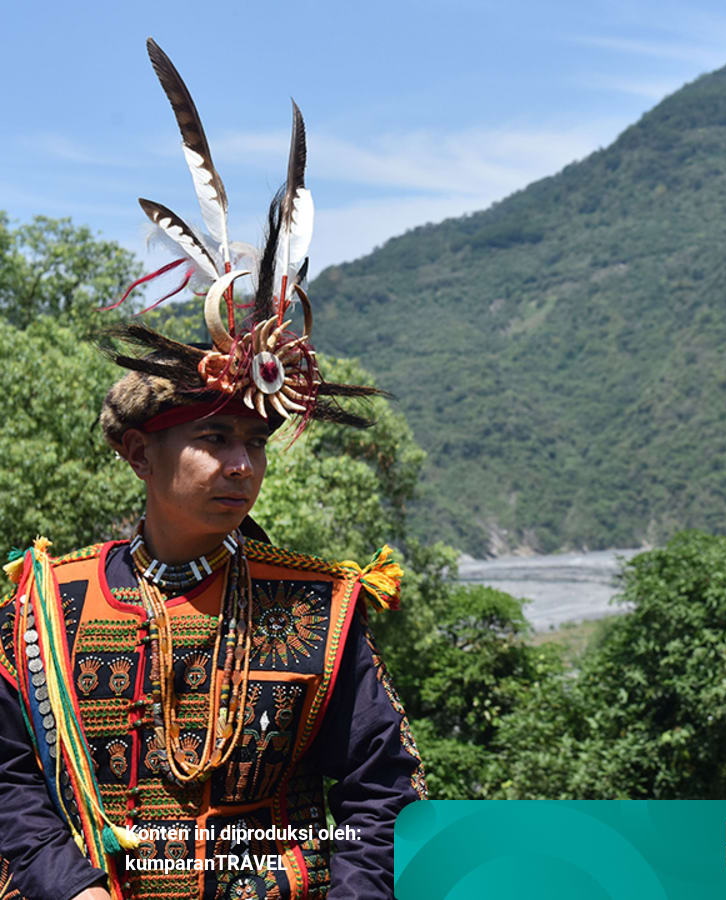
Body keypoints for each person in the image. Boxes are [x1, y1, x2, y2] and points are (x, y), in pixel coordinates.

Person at [0, 39, 425, 900]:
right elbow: (13, 785)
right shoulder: (46, 603)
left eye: (256, 443)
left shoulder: (318, 607)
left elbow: (382, 790)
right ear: (136, 451)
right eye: (215, 440)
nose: (242, 465)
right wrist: (71, 889)